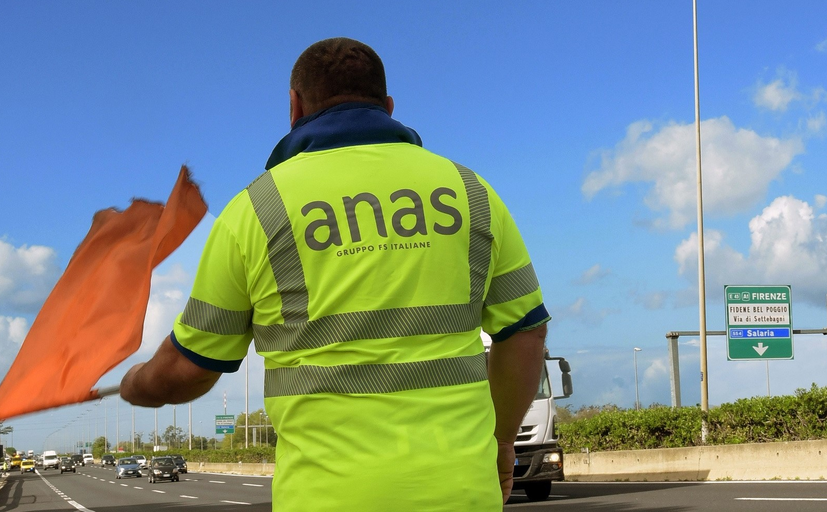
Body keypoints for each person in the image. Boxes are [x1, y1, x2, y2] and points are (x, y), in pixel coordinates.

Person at [120, 37, 549, 511]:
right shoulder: (471, 192)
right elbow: (525, 334)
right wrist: (502, 439)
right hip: (462, 494)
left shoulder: (256, 211)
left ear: (295, 106)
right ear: (387, 106)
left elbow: (188, 371)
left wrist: (137, 383)